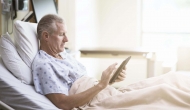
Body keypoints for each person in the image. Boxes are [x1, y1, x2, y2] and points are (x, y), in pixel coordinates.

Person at [32, 14, 127, 110]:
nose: (66, 39)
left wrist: (109, 80)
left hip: (101, 93)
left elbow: (87, 87)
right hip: (95, 102)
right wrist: (101, 85)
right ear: (46, 36)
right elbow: (63, 103)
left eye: (66, 34)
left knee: (142, 87)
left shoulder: (64, 55)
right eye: (61, 34)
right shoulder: (44, 65)